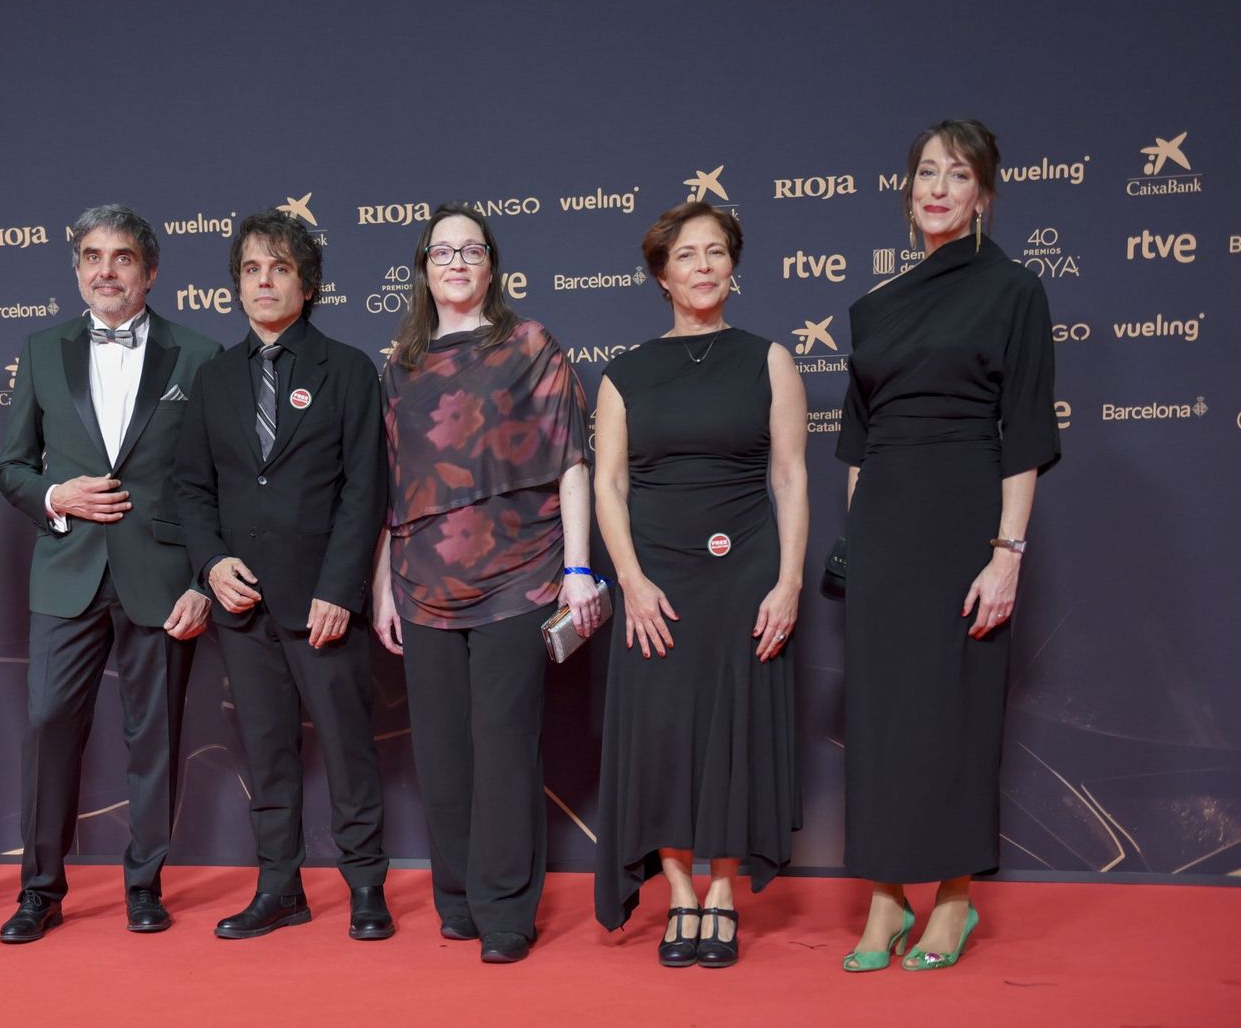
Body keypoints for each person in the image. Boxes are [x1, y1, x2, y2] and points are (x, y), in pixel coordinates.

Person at [838, 120, 1060, 972]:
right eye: (926, 172)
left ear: (984, 195)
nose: (936, 187)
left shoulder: (1012, 291)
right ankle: (886, 896)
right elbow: (857, 441)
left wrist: (1008, 552)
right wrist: (857, 542)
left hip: (967, 516)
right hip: (886, 525)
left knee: (956, 707)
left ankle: (955, 899)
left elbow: (1028, 433)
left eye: (956, 174)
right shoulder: (879, 303)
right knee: (883, 712)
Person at [372, 202, 601, 964]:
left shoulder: (530, 345)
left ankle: (506, 910)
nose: (458, 262)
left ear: (492, 265)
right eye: (443, 251)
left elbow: (572, 461)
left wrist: (575, 568)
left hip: (519, 577)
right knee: (440, 753)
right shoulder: (399, 366)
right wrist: (381, 584)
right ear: (424, 268)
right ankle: (458, 899)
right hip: (423, 581)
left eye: (472, 250)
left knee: (505, 748)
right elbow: (393, 487)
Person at [0, 204, 222, 942]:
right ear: (76, 268)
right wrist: (56, 496)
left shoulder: (199, 354)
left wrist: (201, 579)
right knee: (46, 725)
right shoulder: (40, 348)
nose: (106, 270)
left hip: (162, 578)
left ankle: (144, 883)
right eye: (92, 255)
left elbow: (214, 480)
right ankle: (40, 889)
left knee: (153, 735)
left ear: (150, 271)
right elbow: (11, 467)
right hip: (66, 570)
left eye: (123, 257)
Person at [592, 202, 807, 968]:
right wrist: (632, 583)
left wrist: (787, 583)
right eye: (687, 255)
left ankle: (721, 894)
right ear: (662, 273)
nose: (705, 266)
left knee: (731, 729)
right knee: (665, 736)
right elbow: (608, 485)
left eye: (717, 252)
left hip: (745, 569)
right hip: (657, 576)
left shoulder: (768, 358)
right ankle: (680, 892)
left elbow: (789, 474)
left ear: (733, 267)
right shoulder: (624, 373)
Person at [175, 209, 392, 941]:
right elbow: (191, 490)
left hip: (324, 602)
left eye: (280, 268)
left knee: (348, 747)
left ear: (308, 284)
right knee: (266, 752)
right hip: (243, 606)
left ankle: (366, 886)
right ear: (236, 285)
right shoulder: (213, 379)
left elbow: (366, 490)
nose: (264, 282)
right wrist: (210, 564)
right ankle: (280, 889)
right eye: (251, 269)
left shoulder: (351, 369)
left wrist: (342, 588)